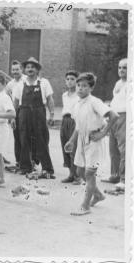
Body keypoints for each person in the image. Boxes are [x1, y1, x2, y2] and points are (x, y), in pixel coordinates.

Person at [65, 72, 118, 216]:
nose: (80, 88)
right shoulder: (77, 103)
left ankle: (85, 206)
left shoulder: (94, 101)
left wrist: (103, 133)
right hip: (82, 140)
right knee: (80, 172)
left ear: (91, 88)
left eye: (84, 86)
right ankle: (98, 195)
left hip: (94, 140)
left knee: (89, 174)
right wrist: (71, 140)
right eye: (78, 85)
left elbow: (114, 116)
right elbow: (78, 125)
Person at [14, 57, 54, 177]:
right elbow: (16, 102)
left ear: (37, 70)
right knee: (24, 139)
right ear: (25, 70)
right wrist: (12, 117)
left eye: (33, 67)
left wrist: (51, 114)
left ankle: (47, 168)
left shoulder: (44, 82)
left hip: (39, 113)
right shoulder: (20, 84)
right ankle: (25, 167)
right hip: (24, 113)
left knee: (41, 140)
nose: (30, 69)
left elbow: (49, 99)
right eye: (28, 67)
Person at [101, 58, 127, 189]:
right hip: (114, 117)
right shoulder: (118, 83)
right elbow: (115, 100)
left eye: (125, 68)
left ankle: (124, 179)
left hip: (125, 117)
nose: (121, 70)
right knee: (113, 148)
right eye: (120, 67)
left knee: (124, 149)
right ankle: (114, 175)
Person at [60, 70, 81, 184]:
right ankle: (71, 174)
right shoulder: (64, 95)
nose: (69, 81)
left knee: (74, 147)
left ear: (77, 81)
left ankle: (78, 176)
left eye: (72, 79)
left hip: (75, 121)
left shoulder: (79, 95)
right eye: (67, 79)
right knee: (65, 147)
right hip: (65, 120)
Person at [5, 60, 26, 169]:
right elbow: (7, 98)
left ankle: (29, 161)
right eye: (13, 70)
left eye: (17, 69)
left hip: (26, 110)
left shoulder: (27, 80)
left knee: (26, 137)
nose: (15, 71)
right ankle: (18, 161)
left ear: (21, 69)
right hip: (15, 111)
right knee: (17, 137)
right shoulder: (10, 84)